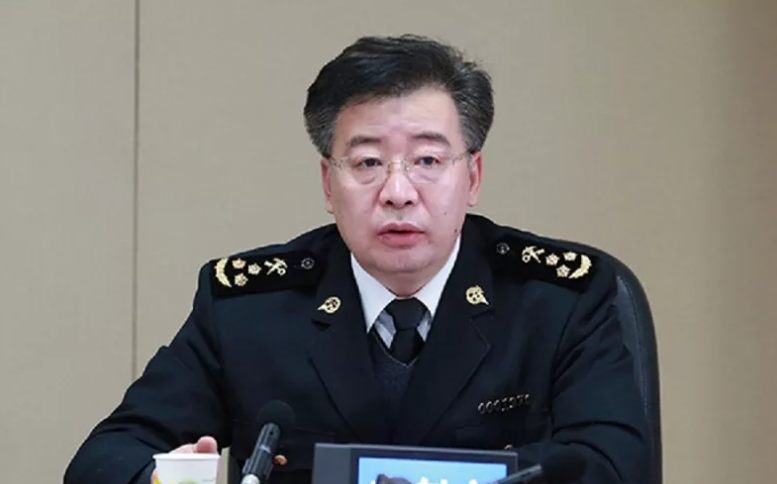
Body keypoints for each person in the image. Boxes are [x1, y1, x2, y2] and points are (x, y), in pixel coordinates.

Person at [64, 34, 648, 484]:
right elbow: (105, 459)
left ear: (472, 176)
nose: (398, 191)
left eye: (427, 160)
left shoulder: (559, 301)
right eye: (368, 162)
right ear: (328, 182)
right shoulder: (249, 310)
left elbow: (614, 467)